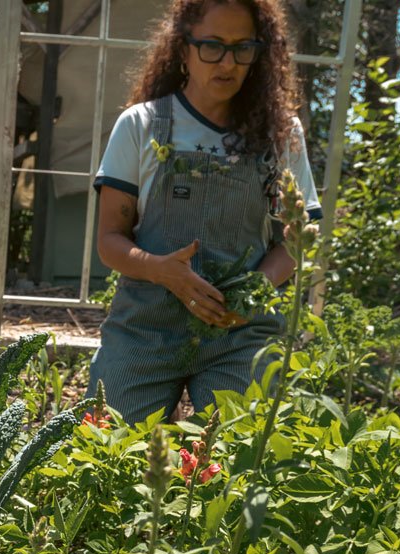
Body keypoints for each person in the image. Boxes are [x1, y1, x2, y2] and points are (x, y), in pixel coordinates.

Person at [87, 0, 321, 424]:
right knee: (107, 446)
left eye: (242, 48)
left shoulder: (280, 133)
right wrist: (161, 270)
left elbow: (301, 235)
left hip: (242, 333)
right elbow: (109, 240)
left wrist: (254, 290)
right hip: (146, 327)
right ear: (183, 49)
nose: (227, 62)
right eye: (212, 46)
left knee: (243, 459)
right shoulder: (142, 125)